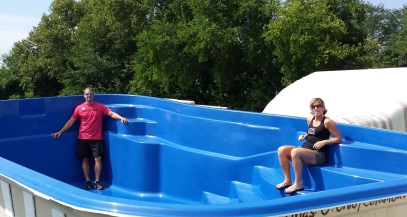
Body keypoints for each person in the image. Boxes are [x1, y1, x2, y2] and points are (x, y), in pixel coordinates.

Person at [51, 87, 129, 190]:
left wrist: (121, 118)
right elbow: (71, 121)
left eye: (90, 94)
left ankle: (97, 181)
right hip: (83, 138)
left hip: (97, 138)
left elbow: (111, 114)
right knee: (85, 159)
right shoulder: (79, 108)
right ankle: (87, 181)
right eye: (87, 94)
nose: (89, 96)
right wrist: (60, 131)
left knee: (98, 159)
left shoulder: (100, 107)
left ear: (93, 95)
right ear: (84, 96)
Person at [275, 97, 342, 194]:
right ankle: (288, 180)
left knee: (295, 151)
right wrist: (305, 136)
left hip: (318, 154)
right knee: (282, 149)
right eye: (313, 106)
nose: (316, 108)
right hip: (305, 150)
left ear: (323, 108)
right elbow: (313, 133)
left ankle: (298, 183)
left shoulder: (328, 122)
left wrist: (325, 142)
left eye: (318, 106)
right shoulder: (310, 120)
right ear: (311, 109)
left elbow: (338, 138)